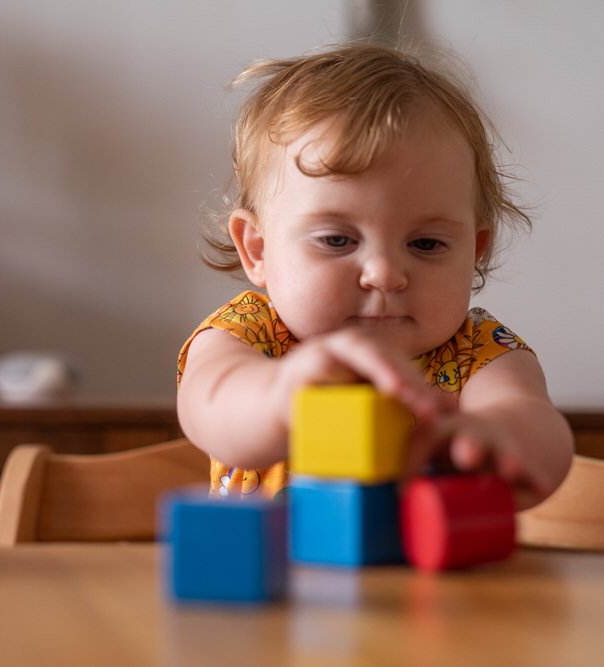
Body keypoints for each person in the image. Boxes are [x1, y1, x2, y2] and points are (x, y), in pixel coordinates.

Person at [176, 42, 573, 508]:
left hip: (435, 579)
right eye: (338, 240)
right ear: (257, 248)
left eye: (426, 244)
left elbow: (538, 429)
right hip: (275, 576)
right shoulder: (246, 334)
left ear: (474, 253)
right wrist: (281, 396)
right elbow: (213, 410)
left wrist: (490, 440)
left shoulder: (480, 352)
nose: (384, 275)